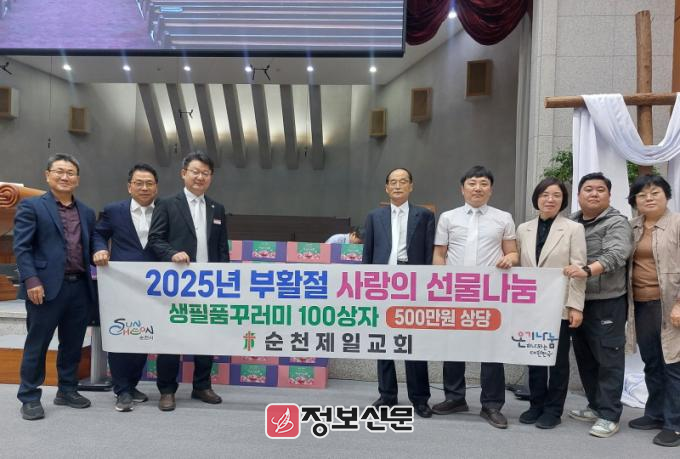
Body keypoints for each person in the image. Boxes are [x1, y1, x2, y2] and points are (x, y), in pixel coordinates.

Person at [431, 165, 519, 429]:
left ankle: (491, 405)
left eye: (483, 184)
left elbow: (513, 252)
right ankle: (455, 398)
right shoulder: (448, 218)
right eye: (472, 183)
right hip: (455, 292)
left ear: (491, 190)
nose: (477, 188)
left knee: (491, 349)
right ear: (462, 189)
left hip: (490, 294)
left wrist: (509, 259)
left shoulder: (503, 218)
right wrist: (440, 286)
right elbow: (439, 254)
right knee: (453, 347)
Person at [13, 154, 97, 420]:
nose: (65, 177)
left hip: (79, 287)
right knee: (37, 344)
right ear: (47, 175)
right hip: (44, 288)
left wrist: (101, 251)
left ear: (78, 179)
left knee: (72, 344)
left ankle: (67, 390)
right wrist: (31, 280)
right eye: (59, 171)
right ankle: (29, 396)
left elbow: (92, 243)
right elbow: (22, 247)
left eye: (70, 173)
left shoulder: (87, 212)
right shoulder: (32, 207)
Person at [147, 152, 229, 411]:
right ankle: (167, 390)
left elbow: (222, 248)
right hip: (176, 284)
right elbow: (155, 239)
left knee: (205, 338)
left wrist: (224, 279)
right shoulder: (166, 204)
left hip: (208, 285)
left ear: (211, 177)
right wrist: (172, 253)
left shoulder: (217, 208)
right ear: (184, 173)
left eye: (206, 173)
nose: (200, 177)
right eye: (195, 171)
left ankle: (202, 386)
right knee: (171, 339)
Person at [362, 167, 435, 418]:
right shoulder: (374, 217)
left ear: (411, 186)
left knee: (413, 342)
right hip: (382, 283)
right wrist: (366, 285)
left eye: (403, 181)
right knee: (383, 341)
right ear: (386, 187)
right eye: (393, 182)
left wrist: (426, 287)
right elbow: (368, 254)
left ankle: (420, 399)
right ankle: (387, 395)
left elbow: (429, 253)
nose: (397, 186)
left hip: (413, 282)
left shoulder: (424, 215)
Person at [516, 178, 586, 429]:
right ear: (536, 198)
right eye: (545, 194)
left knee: (557, 360)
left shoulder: (573, 229)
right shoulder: (523, 229)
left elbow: (578, 268)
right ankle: (536, 404)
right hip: (531, 304)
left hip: (559, 304)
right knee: (534, 354)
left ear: (563, 200)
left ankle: (554, 410)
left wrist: (575, 306)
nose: (550, 199)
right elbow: (520, 266)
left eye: (556, 195)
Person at [566, 172, 632, 438]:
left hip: (607, 301)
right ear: (579, 195)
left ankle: (609, 415)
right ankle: (595, 406)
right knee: (585, 357)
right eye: (588, 189)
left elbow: (617, 254)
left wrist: (587, 270)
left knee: (608, 358)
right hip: (578, 300)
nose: (594, 193)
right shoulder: (572, 222)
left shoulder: (616, 222)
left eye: (600, 189)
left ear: (609, 195)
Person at [92, 163, 159, 412]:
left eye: (149, 183)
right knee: (121, 335)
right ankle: (121, 390)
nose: (144, 188)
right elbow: (98, 234)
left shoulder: (166, 210)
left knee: (144, 335)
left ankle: (132, 384)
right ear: (129, 186)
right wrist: (100, 249)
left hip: (154, 287)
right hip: (120, 285)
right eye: (139, 183)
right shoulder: (113, 210)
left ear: (156, 187)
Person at [625, 175, 680, 447]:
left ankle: (674, 424)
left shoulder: (677, 223)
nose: (648, 198)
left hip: (670, 305)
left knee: (673, 364)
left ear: (666, 195)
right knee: (652, 362)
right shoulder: (632, 226)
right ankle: (655, 413)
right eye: (642, 194)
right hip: (642, 305)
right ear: (634, 200)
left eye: (655, 192)